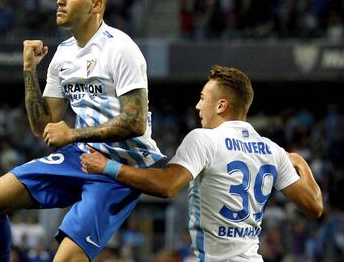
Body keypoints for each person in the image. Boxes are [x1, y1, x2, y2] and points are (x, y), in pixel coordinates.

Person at [0, 0, 164, 262]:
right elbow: (42, 126)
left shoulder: (121, 49)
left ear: (95, 5)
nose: (59, 0)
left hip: (118, 168)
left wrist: (72, 134)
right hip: (80, 156)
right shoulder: (62, 55)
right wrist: (29, 70)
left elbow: (135, 122)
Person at [81, 65, 323, 261]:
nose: (197, 106)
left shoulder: (204, 138)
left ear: (221, 105)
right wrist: (300, 162)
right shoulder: (272, 150)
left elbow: (167, 185)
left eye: (202, 98)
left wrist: (107, 166)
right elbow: (314, 206)